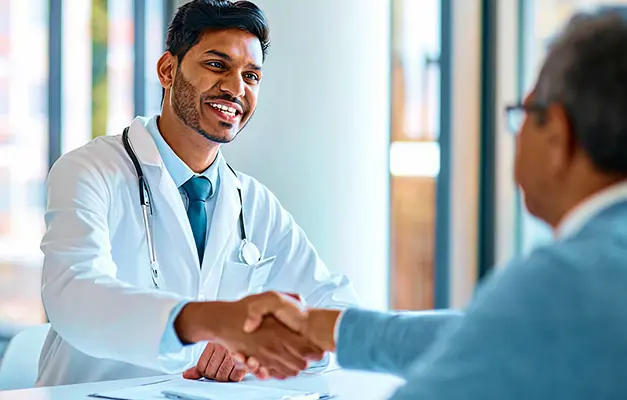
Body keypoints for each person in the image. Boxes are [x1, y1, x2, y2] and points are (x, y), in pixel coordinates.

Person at [234, 9, 627, 399]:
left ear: (557, 136)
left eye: (523, 113)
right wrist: (320, 328)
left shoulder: (559, 281)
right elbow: (481, 335)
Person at [37, 0, 362, 386]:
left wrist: (253, 347)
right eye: (216, 65)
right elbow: (75, 297)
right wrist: (217, 325)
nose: (235, 88)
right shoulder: (89, 171)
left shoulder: (253, 203)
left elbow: (338, 308)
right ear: (168, 70)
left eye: (252, 76)